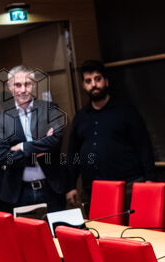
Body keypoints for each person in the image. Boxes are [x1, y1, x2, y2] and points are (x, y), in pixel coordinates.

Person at [64, 60, 156, 209]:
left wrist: (150, 180)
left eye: (97, 79)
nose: (94, 84)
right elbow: (72, 153)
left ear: (106, 81)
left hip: (128, 187)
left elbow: (143, 146)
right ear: (84, 86)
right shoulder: (80, 117)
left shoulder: (125, 110)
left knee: (131, 225)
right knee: (97, 225)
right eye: (88, 81)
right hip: (93, 190)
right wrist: (71, 186)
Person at [0, 66, 69, 212]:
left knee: (57, 227)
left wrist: (23, 147)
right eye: (18, 85)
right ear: (10, 87)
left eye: (27, 84)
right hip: (21, 193)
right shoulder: (3, 119)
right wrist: (39, 149)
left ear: (34, 86)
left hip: (51, 189)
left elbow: (55, 141)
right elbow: (2, 156)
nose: (23, 89)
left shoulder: (49, 109)